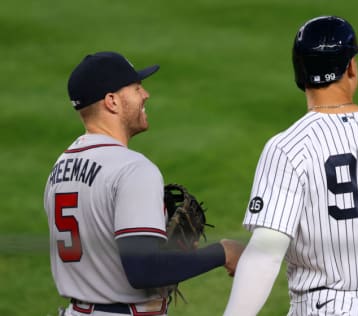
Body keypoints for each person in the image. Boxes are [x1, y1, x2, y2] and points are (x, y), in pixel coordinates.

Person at [223, 16, 358, 316]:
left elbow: (266, 253)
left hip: (323, 308)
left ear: (300, 73)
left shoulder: (289, 146)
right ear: (351, 67)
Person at [43, 51, 244, 316]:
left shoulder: (60, 169)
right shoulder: (132, 169)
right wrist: (223, 252)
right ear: (112, 101)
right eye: (136, 88)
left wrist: (171, 258)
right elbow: (144, 270)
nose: (146, 94)